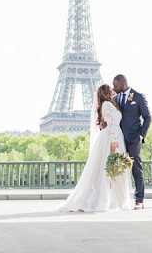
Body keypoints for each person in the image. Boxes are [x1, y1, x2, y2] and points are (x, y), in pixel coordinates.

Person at [58, 84, 133, 212]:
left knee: (111, 170)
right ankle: (107, 200)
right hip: (112, 137)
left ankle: (110, 199)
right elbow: (112, 125)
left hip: (111, 136)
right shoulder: (107, 105)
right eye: (110, 89)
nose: (113, 90)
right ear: (106, 93)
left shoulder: (109, 104)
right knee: (110, 169)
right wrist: (114, 142)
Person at [100, 74, 151, 210]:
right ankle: (117, 198)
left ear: (123, 83)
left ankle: (139, 200)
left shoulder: (138, 97)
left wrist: (141, 135)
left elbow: (147, 117)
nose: (113, 88)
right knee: (116, 169)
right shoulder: (114, 99)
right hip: (118, 140)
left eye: (115, 85)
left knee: (136, 168)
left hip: (134, 139)